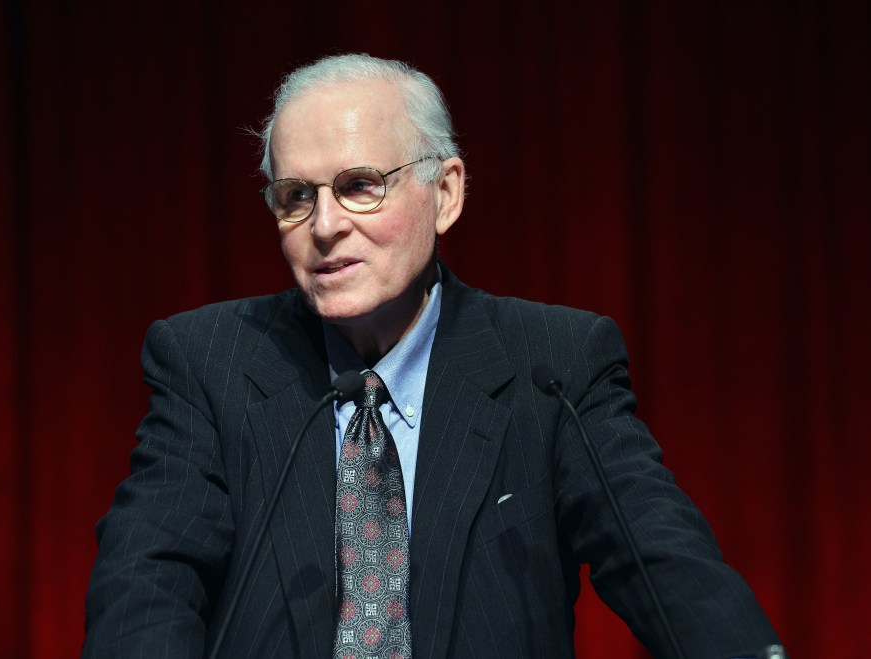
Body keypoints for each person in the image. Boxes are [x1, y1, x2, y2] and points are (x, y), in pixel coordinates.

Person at [83, 54, 782, 659]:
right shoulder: (210, 362)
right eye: (296, 196)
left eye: (359, 186)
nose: (324, 226)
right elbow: (146, 583)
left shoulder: (554, 365)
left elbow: (662, 558)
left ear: (445, 193)